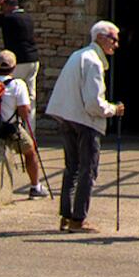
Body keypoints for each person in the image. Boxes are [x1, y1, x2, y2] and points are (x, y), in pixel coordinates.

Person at [46, 20, 126, 233]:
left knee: (72, 168)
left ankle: (67, 215)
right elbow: (94, 103)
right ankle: (78, 219)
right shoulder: (93, 62)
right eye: (113, 39)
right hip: (84, 121)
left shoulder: (78, 55)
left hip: (67, 117)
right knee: (87, 170)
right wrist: (113, 110)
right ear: (100, 37)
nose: (116, 44)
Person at [0, 49, 48, 199]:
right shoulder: (18, 84)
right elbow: (24, 112)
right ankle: (35, 186)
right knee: (31, 151)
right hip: (9, 129)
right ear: (14, 67)